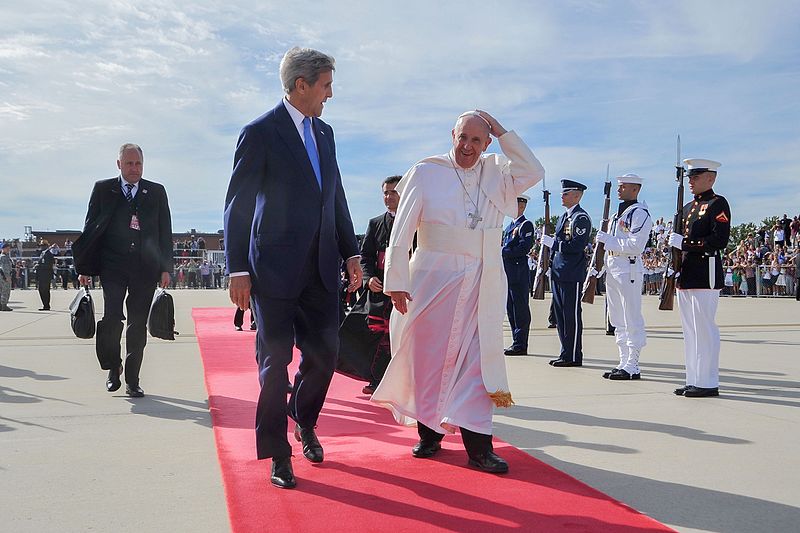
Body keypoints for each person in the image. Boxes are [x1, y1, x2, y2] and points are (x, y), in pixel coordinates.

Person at [371, 110, 545, 475]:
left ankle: (479, 447)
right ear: (452, 135)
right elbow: (401, 232)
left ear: (487, 142)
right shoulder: (426, 171)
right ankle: (429, 433)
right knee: (428, 357)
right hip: (432, 279)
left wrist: (501, 130)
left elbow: (533, 171)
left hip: (483, 281)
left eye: (478, 140)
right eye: (462, 138)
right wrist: (396, 280)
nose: (468, 147)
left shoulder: (497, 171)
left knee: (476, 363)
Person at [223, 47, 361, 490]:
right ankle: (278, 454)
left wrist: (350, 250)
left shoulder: (326, 133)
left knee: (325, 356)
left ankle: (303, 417)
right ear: (301, 85)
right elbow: (238, 204)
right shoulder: (260, 132)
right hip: (274, 271)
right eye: (326, 85)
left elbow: (334, 196)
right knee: (274, 364)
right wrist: (237, 268)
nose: (330, 95)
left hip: (321, 269)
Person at [73, 143, 173, 398]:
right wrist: (84, 267)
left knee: (137, 324)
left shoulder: (156, 192)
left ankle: (132, 379)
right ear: (119, 164)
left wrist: (165, 268)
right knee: (111, 319)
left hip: (145, 268)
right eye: (129, 163)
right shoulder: (103, 189)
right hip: (113, 266)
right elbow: (90, 229)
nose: (134, 168)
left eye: (138, 163)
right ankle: (112, 367)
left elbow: (165, 232)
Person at [668, 159, 730, 398]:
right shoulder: (686, 208)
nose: (691, 181)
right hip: (686, 273)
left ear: (711, 178)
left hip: (706, 272)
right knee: (690, 330)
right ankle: (693, 378)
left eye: (695, 177)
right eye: (690, 178)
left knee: (704, 328)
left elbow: (719, 240)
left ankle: (708, 381)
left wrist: (684, 243)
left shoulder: (718, 203)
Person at [594, 173, 653, 380]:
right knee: (617, 318)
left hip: (628, 269)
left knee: (631, 317)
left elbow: (636, 246)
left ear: (635, 189)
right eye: (618, 186)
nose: (619, 189)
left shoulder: (640, 213)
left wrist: (608, 241)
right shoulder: (616, 215)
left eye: (623, 186)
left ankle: (633, 364)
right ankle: (623, 360)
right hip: (613, 267)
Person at [358, 175, 401, 394]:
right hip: (378, 290)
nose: (388, 197)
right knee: (378, 336)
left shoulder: (417, 222)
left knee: (400, 337)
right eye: (385, 192)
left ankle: (401, 382)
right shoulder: (375, 223)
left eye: (393, 192)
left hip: (404, 291)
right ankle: (377, 380)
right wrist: (368, 278)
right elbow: (365, 256)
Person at [541, 180, 592, 367]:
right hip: (558, 271)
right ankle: (565, 353)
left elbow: (577, 245)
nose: (562, 196)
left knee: (571, 315)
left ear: (576, 195)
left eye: (566, 193)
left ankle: (573, 355)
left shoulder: (581, 218)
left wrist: (554, 244)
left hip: (571, 273)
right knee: (560, 316)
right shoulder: (564, 217)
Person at [502, 195, 535, 355]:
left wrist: (503, 251)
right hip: (508, 273)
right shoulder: (510, 226)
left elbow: (524, 248)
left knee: (520, 309)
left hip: (518, 272)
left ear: (522, 207)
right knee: (511, 308)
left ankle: (521, 344)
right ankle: (516, 341)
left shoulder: (525, 225)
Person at [36, 243, 57, 310]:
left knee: (45, 290)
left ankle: (46, 305)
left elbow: (48, 265)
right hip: (41, 275)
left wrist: (39, 266)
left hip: (46, 275)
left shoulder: (48, 254)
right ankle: (45, 304)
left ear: (46, 246)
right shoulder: (42, 253)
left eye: (42, 246)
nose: (41, 247)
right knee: (41, 290)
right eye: (41, 246)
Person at [0, 242, 12, 311]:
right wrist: (6, 277)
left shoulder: (6, 256)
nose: (8, 250)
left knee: (2, 291)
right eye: (7, 249)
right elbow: (3, 268)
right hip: (4, 276)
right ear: (3, 249)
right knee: (5, 291)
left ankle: (2, 305)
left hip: (3, 275)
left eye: (9, 249)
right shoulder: (3, 257)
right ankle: (4, 305)